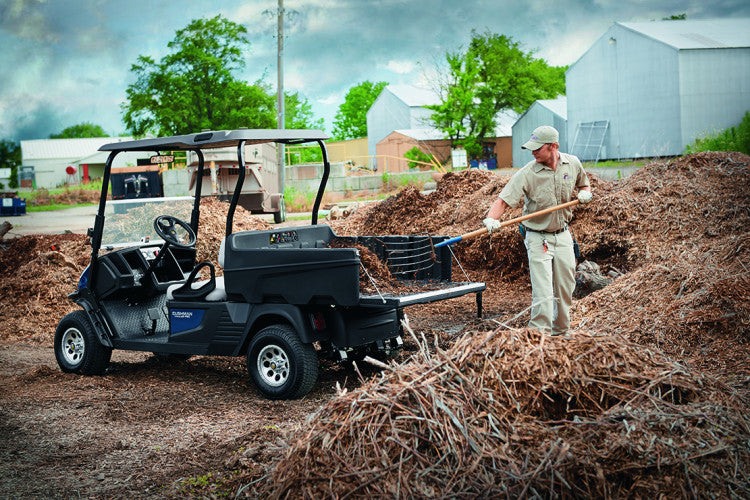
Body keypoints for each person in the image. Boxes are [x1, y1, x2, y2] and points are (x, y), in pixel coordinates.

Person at [483, 125, 592, 335]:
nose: (533, 152)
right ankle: (538, 337)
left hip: (563, 235)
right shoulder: (528, 173)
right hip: (537, 237)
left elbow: (583, 184)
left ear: (553, 146)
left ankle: (561, 333)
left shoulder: (573, 164)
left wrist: (585, 193)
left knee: (565, 288)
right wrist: (490, 220)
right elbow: (503, 201)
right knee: (542, 292)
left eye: (537, 148)